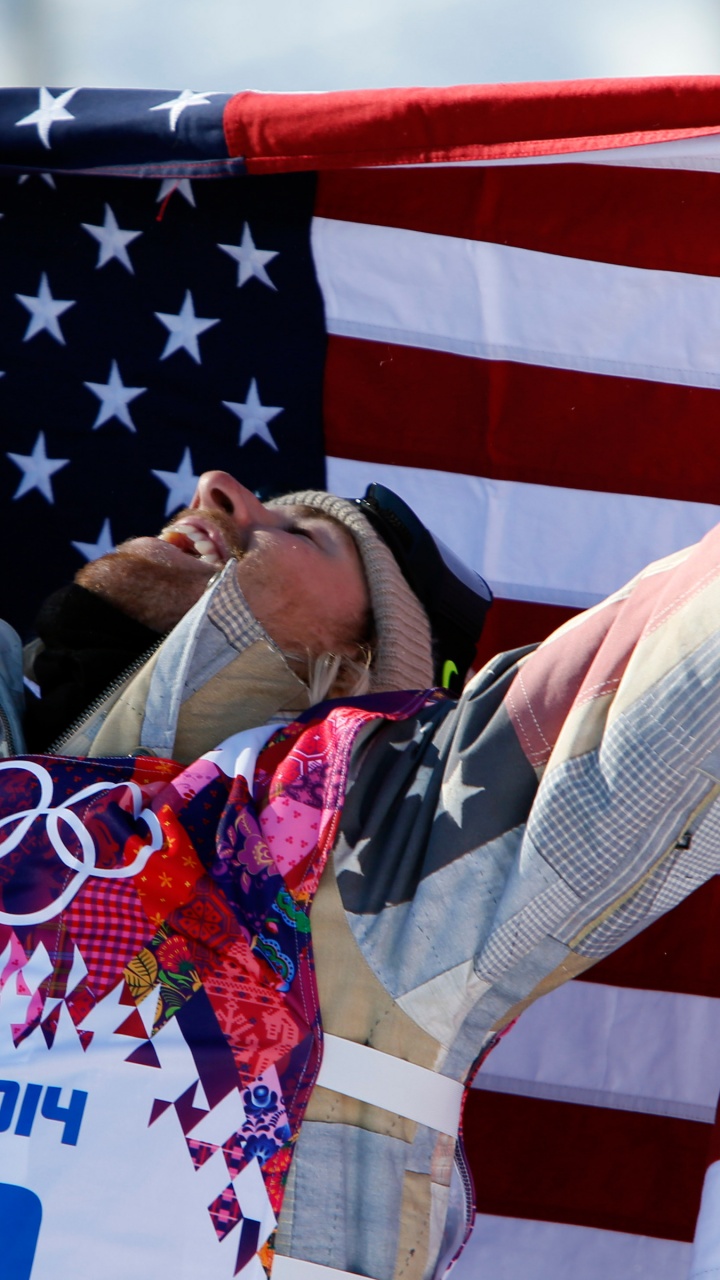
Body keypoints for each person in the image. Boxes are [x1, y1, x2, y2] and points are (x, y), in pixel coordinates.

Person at [2, 471, 720, 1280]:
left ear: (356, 666)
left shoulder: (380, 840)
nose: (217, 492)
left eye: (310, 535)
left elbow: (690, 656)